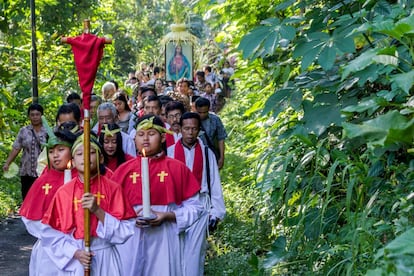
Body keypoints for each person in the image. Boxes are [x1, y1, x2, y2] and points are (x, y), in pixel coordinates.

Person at [112, 115, 204, 276]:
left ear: (162, 137)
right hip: (130, 239)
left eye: (151, 134)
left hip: (164, 238)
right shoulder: (123, 171)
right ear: (134, 139)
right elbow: (110, 210)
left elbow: (195, 207)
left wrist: (168, 215)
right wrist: (130, 217)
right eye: (141, 135)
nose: (145, 139)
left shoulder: (177, 168)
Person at [41, 132, 136, 275]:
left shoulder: (113, 188)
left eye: (91, 152)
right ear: (72, 161)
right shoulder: (64, 192)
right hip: (76, 260)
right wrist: (75, 253)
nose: (85, 157)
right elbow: (49, 233)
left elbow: (126, 230)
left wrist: (98, 210)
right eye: (79, 154)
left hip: (105, 257)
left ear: (101, 158)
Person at [167, 112, 226, 276]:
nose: (190, 133)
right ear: (180, 129)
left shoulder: (207, 153)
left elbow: (214, 182)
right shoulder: (170, 152)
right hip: (176, 205)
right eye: (186, 128)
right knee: (176, 250)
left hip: (200, 204)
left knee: (194, 253)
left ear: (199, 130)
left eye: (194, 129)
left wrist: (216, 213)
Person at [19, 119, 78, 275]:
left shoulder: (83, 179)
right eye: (51, 152)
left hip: (78, 246)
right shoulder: (43, 182)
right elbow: (29, 218)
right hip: (49, 249)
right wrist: (55, 238)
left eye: (60, 150)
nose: (55, 156)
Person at [3, 103, 47, 200]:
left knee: (41, 199)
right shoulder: (24, 131)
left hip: (43, 172)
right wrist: (7, 163)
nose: (35, 117)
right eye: (32, 115)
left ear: (41, 116)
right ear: (29, 116)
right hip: (26, 172)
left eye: (37, 114)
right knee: (27, 199)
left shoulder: (48, 131)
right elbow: (16, 148)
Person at [195, 97, 227, 169]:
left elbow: (221, 139)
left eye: (205, 112)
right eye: (200, 112)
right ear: (196, 109)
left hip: (212, 154)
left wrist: (222, 157)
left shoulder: (215, 119)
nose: (202, 115)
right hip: (196, 156)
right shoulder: (191, 120)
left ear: (208, 109)